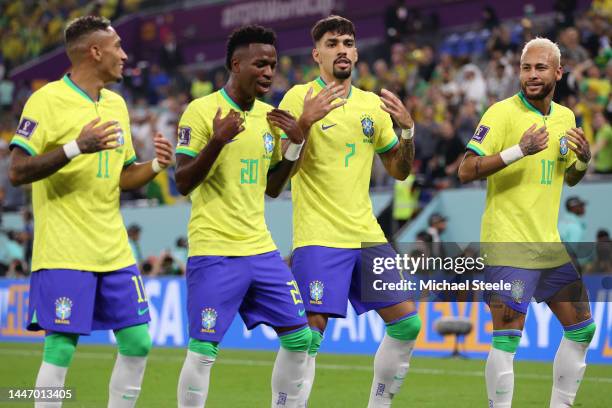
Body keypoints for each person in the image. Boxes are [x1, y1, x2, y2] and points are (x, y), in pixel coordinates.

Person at [7, 16, 174, 407]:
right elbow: (16, 171)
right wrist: (75, 147)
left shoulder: (117, 104)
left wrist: (154, 167)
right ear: (95, 51)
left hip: (112, 248)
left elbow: (121, 176)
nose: (125, 55)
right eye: (118, 47)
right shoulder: (46, 100)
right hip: (64, 248)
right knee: (61, 348)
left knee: (138, 341)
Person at [278, 15, 420, 408]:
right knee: (308, 336)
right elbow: (278, 173)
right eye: (331, 43)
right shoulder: (297, 98)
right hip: (319, 236)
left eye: (347, 42)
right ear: (316, 54)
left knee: (407, 323)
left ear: (355, 52)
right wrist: (303, 124)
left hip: (366, 235)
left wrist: (407, 130)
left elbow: (400, 170)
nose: (341, 49)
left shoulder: (371, 105)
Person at [174, 25, 310, 408]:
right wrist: (216, 141)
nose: (269, 72)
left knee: (300, 337)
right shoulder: (201, 111)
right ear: (236, 64)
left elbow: (272, 187)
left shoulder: (270, 118)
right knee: (204, 350)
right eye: (260, 64)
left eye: (273, 65)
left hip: (261, 249)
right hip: (215, 249)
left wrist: (296, 145)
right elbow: (182, 181)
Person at [458, 37, 595, 408]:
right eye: (526, 67)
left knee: (583, 329)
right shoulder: (501, 114)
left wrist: (582, 160)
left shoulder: (566, 118)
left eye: (540, 68)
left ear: (558, 72)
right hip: (508, 243)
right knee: (507, 339)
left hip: (548, 246)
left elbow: (570, 177)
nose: (532, 75)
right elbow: (465, 170)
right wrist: (519, 149)